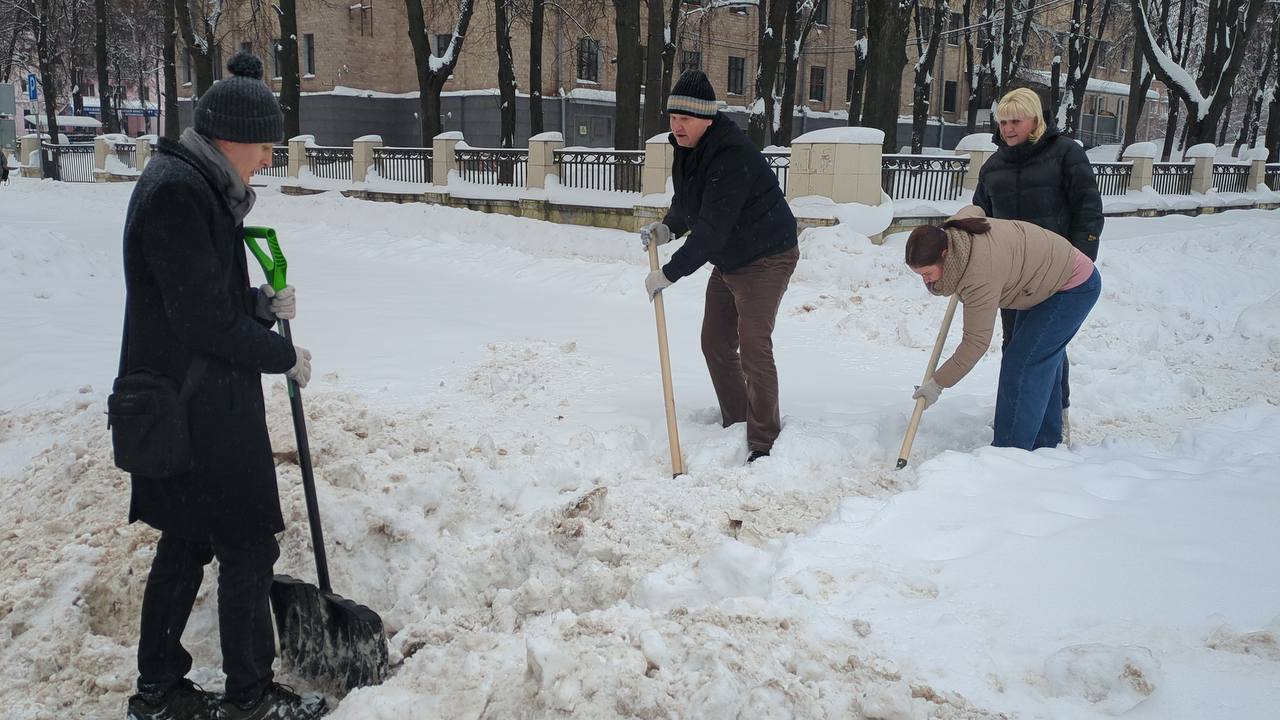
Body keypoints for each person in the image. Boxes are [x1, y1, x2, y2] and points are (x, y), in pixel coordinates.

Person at [122, 51, 324, 720]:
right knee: (245, 544)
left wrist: (260, 306)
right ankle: (250, 697)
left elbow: (201, 295)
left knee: (187, 537)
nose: (268, 158)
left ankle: (158, 690)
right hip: (194, 408)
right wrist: (277, 354)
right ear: (234, 136)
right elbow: (200, 318)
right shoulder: (180, 192)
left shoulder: (189, 183)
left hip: (185, 399)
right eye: (265, 145)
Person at [640, 69, 799, 463]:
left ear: (706, 119)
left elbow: (710, 230)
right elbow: (688, 200)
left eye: (685, 119)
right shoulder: (687, 147)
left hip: (767, 256)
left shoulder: (732, 155)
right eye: (673, 118)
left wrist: (669, 273)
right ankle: (738, 419)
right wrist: (668, 228)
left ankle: (763, 441)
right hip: (731, 255)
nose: (677, 126)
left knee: (754, 347)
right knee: (715, 341)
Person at [906, 206, 1101, 451]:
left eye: (927, 273)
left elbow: (975, 343)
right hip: (1041, 283)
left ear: (945, 254)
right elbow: (974, 209)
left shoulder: (979, 274)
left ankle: (1010, 452)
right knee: (1036, 359)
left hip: (1072, 285)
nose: (926, 281)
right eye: (919, 275)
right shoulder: (954, 230)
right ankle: (1045, 443)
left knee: (1023, 362)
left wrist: (937, 384)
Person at [973, 87, 1103, 439]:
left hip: (1056, 273)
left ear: (1035, 121)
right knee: (1020, 344)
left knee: (1043, 346)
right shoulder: (994, 166)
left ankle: (1050, 419)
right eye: (1003, 122)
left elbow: (1088, 209)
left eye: (1016, 121)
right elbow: (979, 217)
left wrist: (1081, 258)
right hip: (1011, 279)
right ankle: (1030, 417)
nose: (1008, 129)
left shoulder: (1065, 154)